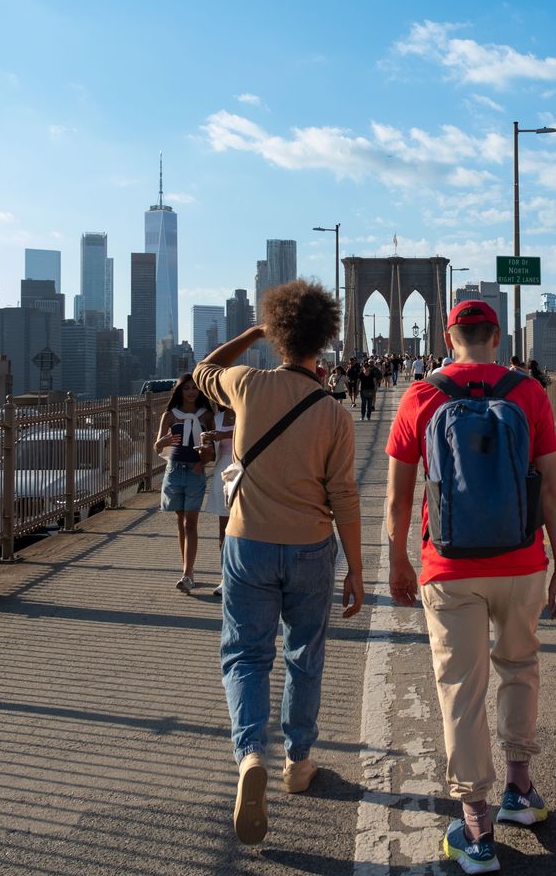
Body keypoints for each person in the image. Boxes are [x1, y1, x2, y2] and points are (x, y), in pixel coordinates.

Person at [385, 299, 556, 874]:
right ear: (498, 336)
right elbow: (552, 492)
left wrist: (397, 562)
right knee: (520, 666)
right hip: (521, 564)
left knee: (460, 691)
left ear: (448, 336)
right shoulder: (529, 393)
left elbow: (397, 500)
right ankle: (520, 789)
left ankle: (475, 826)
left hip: (449, 567)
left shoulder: (420, 396)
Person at [192, 280, 366, 847]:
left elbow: (201, 372)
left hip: (248, 543)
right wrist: (358, 570)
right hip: (313, 546)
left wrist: (249, 334)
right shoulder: (335, 414)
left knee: (244, 653)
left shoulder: (246, 384)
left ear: (278, 333)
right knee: (304, 652)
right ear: (327, 336)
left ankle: (249, 755)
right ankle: (297, 761)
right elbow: (344, 496)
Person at [155, 374, 213, 594]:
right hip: (174, 471)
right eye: (187, 388)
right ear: (180, 391)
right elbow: (158, 448)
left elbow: (212, 449)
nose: (191, 392)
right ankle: (187, 571)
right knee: (181, 522)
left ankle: (188, 573)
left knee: (190, 523)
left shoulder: (206, 415)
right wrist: (161, 443)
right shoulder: (170, 416)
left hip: (195, 472)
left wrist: (202, 463)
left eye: (194, 388)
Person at [201, 404, 235, 598]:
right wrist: (205, 447)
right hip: (224, 473)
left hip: (246, 474)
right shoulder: (218, 418)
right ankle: (226, 577)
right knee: (224, 530)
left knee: (247, 529)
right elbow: (212, 455)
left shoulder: (250, 412)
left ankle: (246, 577)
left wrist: (224, 436)